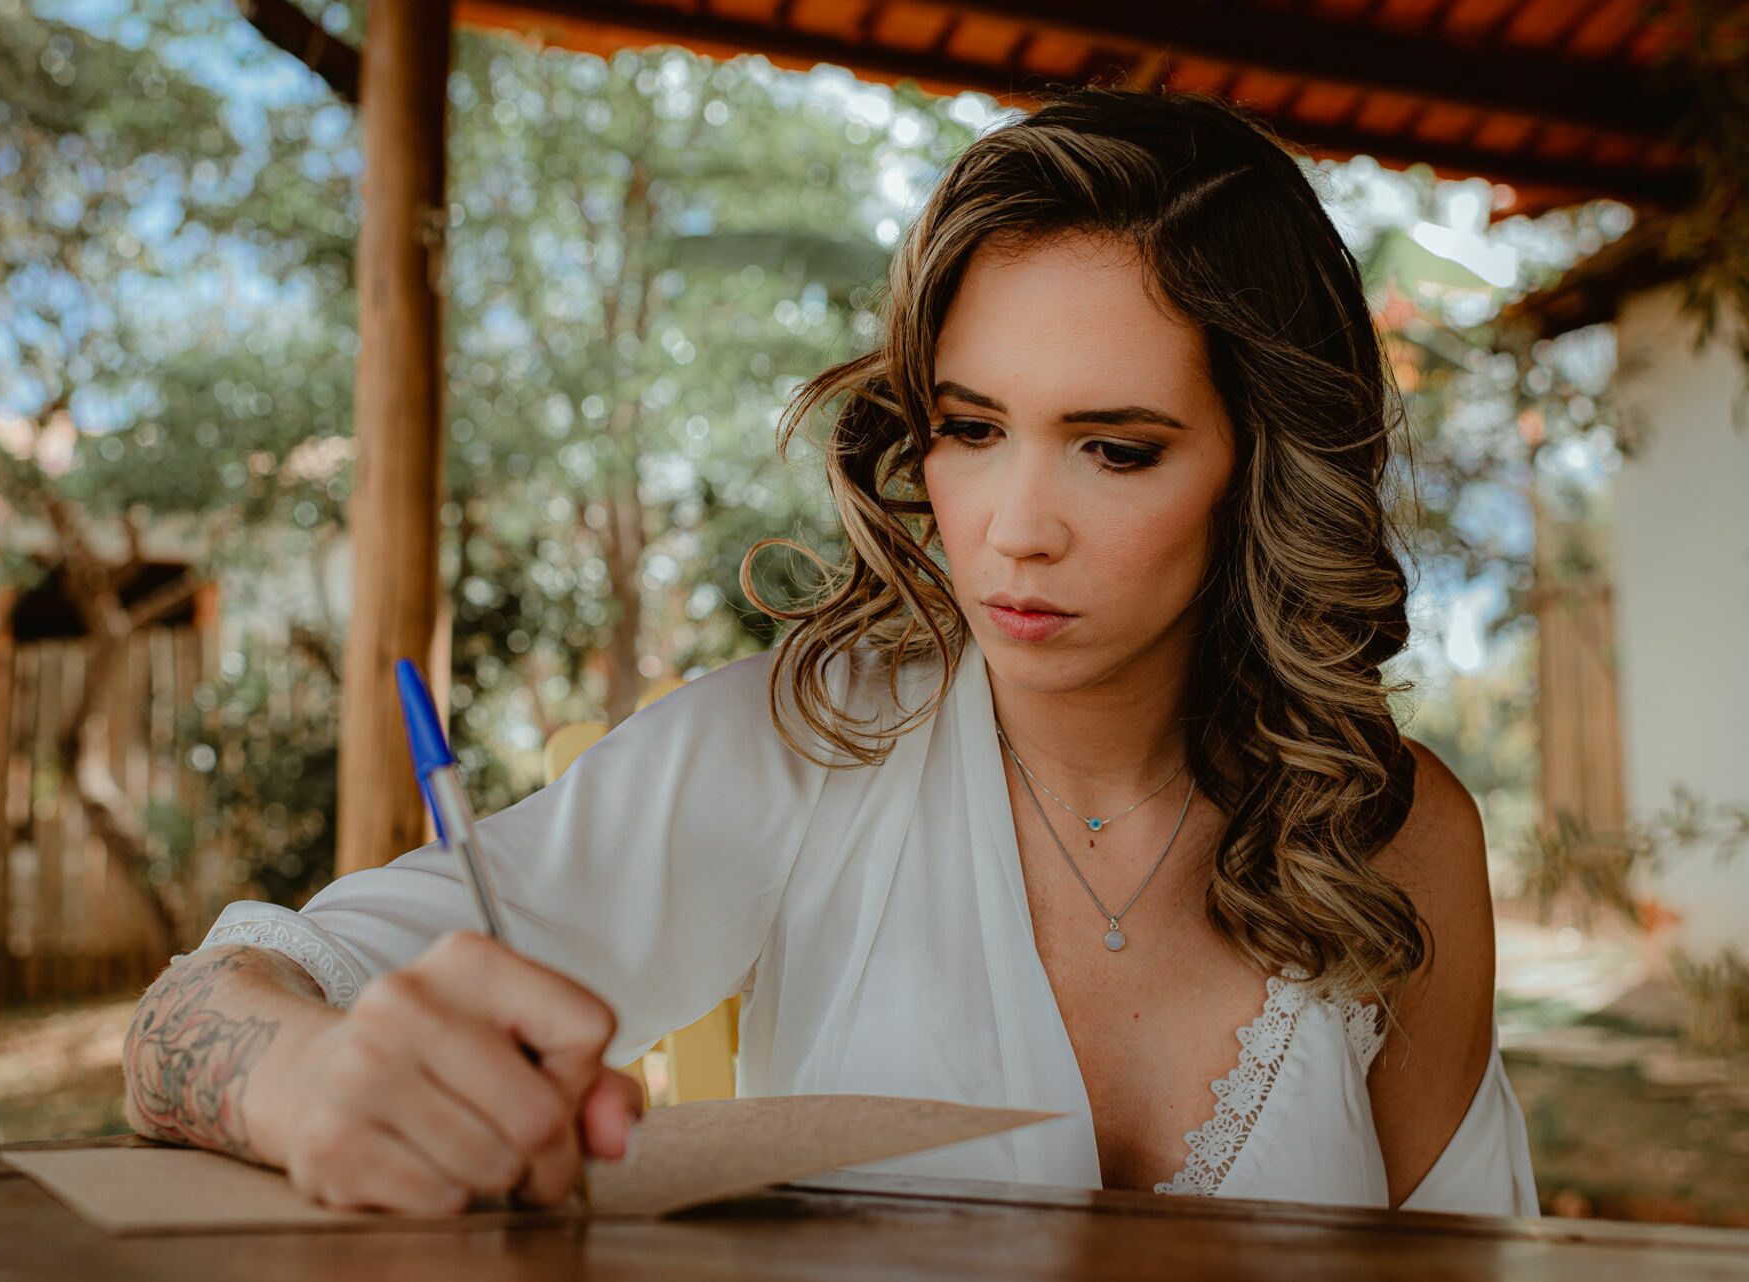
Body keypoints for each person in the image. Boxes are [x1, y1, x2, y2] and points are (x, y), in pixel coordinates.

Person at [122, 84, 1540, 1218]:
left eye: (1115, 448)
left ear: (1262, 468)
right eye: (971, 428)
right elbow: (196, 1012)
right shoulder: (799, 750)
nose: (1010, 530)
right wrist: (309, 1081)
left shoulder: (1397, 836)